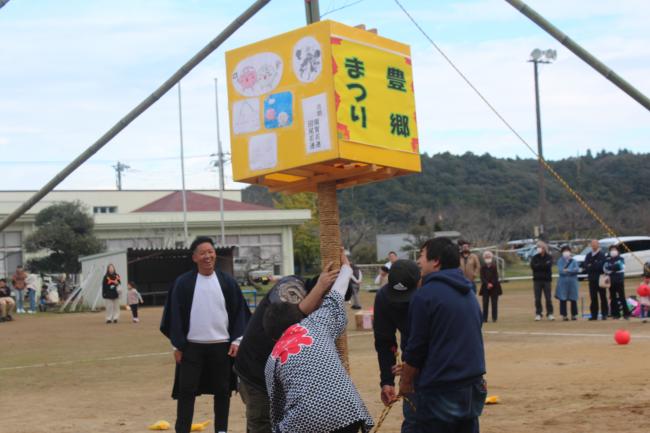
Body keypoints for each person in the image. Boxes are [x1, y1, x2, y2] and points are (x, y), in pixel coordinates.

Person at [265, 250, 374, 433]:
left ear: (274, 337)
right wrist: (346, 269)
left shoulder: (273, 358)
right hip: (348, 412)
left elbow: (276, 405)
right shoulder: (314, 324)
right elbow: (336, 296)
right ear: (298, 318)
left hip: (305, 422)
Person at [160, 236, 251, 433]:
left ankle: (221, 430)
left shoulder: (227, 282)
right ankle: (182, 429)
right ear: (194, 257)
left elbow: (239, 313)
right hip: (191, 347)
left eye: (210, 252)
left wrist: (237, 340)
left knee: (222, 390)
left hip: (222, 347)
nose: (207, 256)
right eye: (202, 253)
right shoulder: (183, 283)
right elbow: (173, 315)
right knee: (187, 391)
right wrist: (177, 346)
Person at [234, 265, 339, 433]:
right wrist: (320, 287)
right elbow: (290, 317)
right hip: (255, 375)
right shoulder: (291, 284)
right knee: (262, 425)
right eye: (324, 297)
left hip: (278, 378)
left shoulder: (316, 309)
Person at [400, 237, 486, 433]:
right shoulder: (469, 292)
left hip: (441, 387)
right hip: (473, 386)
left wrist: (406, 381)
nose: (419, 262)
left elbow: (416, 347)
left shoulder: (425, 295)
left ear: (436, 261)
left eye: (421, 256)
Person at [372, 259, 421, 433]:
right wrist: (387, 381)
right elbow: (385, 342)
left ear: (419, 283)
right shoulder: (384, 298)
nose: (401, 303)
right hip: (410, 366)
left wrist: (414, 365)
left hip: (439, 367)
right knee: (414, 422)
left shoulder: (430, 295)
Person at [582, 239, 607, 320]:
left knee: (603, 297)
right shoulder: (588, 255)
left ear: (598, 245)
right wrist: (592, 265)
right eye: (592, 244)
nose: (593, 246)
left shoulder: (602, 255)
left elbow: (600, 266)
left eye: (595, 244)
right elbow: (585, 266)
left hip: (601, 279)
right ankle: (594, 315)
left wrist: (591, 265)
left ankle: (604, 314)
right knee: (593, 298)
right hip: (591, 279)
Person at [603, 245, 629, 320]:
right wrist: (614, 267)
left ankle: (626, 314)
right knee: (613, 297)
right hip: (611, 281)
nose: (613, 251)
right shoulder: (608, 260)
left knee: (622, 297)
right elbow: (605, 269)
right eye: (611, 250)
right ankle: (615, 314)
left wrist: (611, 268)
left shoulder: (621, 259)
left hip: (619, 280)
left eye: (614, 249)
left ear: (617, 251)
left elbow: (621, 267)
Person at [530, 241, 554, 321]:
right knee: (537, 298)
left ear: (544, 248)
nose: (538, 248)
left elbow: (548, 266)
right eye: (538, 247)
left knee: (548, 298)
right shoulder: (535, 257)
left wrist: (539, 266)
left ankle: (550, 313)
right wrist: (542, 266)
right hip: (537, 281)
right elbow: (533, 267)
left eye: (540, 247)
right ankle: (538, 313)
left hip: (547, 280)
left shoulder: (549, 257)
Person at [555, 246, 580, 321]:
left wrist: (567, 270)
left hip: (573, 282)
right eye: (564, 251)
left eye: (567, 250)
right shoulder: (560, 261)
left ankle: (574, 315)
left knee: (573, 298)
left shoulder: (574, 260)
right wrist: (571, 270)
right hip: (563, 282)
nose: (566, 252)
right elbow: (561, 271)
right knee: (563, 298)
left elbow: (577, 270)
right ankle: (564, 315)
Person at [479, 250, 502, 323]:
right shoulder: (482, 267)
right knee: (485, 303)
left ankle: (494, 318)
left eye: (489, 256)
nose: (487, 257)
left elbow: (496, 277)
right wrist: (487, 284)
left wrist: (491, 283)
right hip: (485, 287)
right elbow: (482, 277)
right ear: (484, 258)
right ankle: (484, 318)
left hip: (494, 287)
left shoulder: (494, 266)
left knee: (494, 303)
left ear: (491, 257)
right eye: (486, 256)